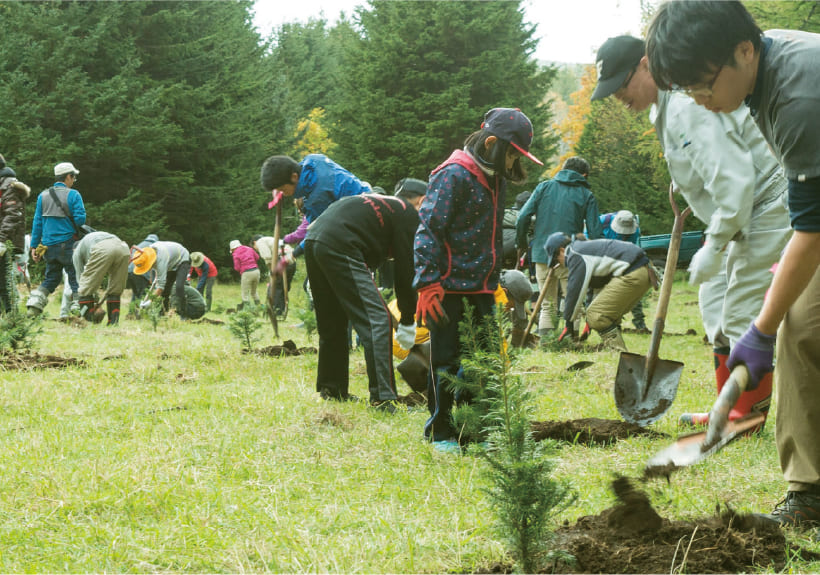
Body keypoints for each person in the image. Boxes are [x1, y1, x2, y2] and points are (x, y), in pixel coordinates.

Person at [645, 0, 820, 528]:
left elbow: (812, 229)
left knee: (786, 322)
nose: (699, 100)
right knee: (803, 325)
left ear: (744, 51)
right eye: (687, 92)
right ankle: (810, 493)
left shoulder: (798, 93)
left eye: (703, 85)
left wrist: (759, 327)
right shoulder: (756, 80)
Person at [593, 34, 791, 431]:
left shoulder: (685, 106)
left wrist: (714, 245)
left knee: (739, 313)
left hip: (766, 206)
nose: (618, 97)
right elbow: (706, 162)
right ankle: (729, 402)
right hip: (737, 215)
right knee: (713, 300)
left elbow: (734, 183)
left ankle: (745, 416)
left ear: (647, 64)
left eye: (622, 85)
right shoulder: (667, 107)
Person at [415, 107, 543, 448]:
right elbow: (428, 229)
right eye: (514, 156)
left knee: (483, 361)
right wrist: (427, 282)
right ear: (491, 143)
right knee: (446, 361)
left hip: (483, 286)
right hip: (447, 288)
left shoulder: (495, 179)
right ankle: (441, 432)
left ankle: (473, 431)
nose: (517, 166)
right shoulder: (452, 174)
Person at [304, 189, 423, 413]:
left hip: (313, 239)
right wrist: (407, 319)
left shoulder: (384, 206)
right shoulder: (411, 218)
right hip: (340, 242)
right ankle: (383, 399)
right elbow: (406, 272)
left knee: (332, 321)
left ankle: (332, 389)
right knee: (377, 320)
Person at [515, 156, 603, 338]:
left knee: (547, 304)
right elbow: (595, 231)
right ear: (584, 175)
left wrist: (522, 245)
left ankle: (547, 342)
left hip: (541, 254)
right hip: (570, 256)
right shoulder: (586, 194)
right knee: (574, 303)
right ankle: (572, 342)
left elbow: (522, 217)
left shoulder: (544, 187)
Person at [545, 232, 654, 352]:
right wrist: (588, 322)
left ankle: (617, 353)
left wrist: (568, 325)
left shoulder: (574, 253)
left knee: (596, 315)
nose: (559, 264)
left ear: (561, 250)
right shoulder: (585, 249)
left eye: (556, 260)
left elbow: (574, 289)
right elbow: (595, 286)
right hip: (644, 271)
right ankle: (614, 350)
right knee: (606, 314)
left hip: (632, 272)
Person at [26, 162, 86, 316]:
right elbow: (80, 220)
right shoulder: (74, 195)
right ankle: (77, 310)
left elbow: (37, 222)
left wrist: (34, 247)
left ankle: (34, 306)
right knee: (75, 276)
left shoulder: (43, 195)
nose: (74, 181)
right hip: (68, 244)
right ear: (68, 176)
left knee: (51, 278)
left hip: (48, 247)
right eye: (73, 177)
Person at [600, 210, 648, 332]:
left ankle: (640, 323)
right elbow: (589, 242)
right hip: (601, 259)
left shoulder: (634, 230)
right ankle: (613, 324)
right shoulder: (601, 222)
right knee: (608, 294)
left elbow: (629, 248)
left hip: (623, 259)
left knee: (632, 289)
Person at [73, 230, 130, 325]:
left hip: (104, 248)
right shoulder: (90, 242)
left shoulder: (77, 252)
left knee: (84, 289)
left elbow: (81, 280)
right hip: (123, 247)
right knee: (115, 289)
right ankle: (113, 323)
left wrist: (90, 300)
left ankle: (86, 322)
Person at [0, 154, 31, 314]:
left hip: (5, 242)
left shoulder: (10, 188)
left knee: (4, 283)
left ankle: (12, 318)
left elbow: (12, 215)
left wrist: (1, 240)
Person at [130, 240, 191, 318]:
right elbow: (158, 281)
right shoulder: (149, 254)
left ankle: (184, 315)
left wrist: (150, 301)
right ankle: (163, 314)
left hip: (182, 259)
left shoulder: (160, 259)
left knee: (179, 287)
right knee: (165, 291)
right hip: (170, 262)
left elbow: (160, 286)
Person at [230, 240, 260, 308]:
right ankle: (259, 307)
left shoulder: (235, 253)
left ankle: (247, 309)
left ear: (233, 248)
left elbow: (237, 267)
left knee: (245, 293)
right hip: (256, 271)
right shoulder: (249, 249)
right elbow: (257, 257)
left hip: (247, 273)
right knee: (254, 292)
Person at [127, 233, 158, 300]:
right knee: (142, 294)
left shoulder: (140, 244)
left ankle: (132, 310)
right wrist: (151, 279)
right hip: (141, 273)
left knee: (135, 293)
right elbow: (152, 264)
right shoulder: (153, 247)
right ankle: (139, 310)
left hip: (130, 272)